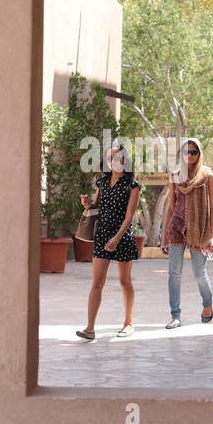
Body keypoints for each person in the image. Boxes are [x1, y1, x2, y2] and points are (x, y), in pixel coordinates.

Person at [75, 142, 141, 340]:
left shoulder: (133, 186)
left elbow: (129, 216)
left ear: (124, 161)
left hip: (122, 237)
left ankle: (128, 323)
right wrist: (87, 203)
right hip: (103, 236)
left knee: (124, 281)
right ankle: (90, 328)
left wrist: (117, 238)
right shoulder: (101, 183)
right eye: (110, 158)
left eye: (117, 157)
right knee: (97, 282)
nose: (113, 161)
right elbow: (95, 208)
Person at [160, 136, 213, 327]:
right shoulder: (175, 176)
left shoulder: (207, 175)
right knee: (174, 273)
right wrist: (164, 236)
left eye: (194, 152)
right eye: (186, 152)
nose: (190, 155)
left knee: (199, 273)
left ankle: (207, 304)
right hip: (176, 226)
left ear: (199, 154)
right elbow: (171, 207)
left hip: (198, 229)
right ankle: (175, 315)